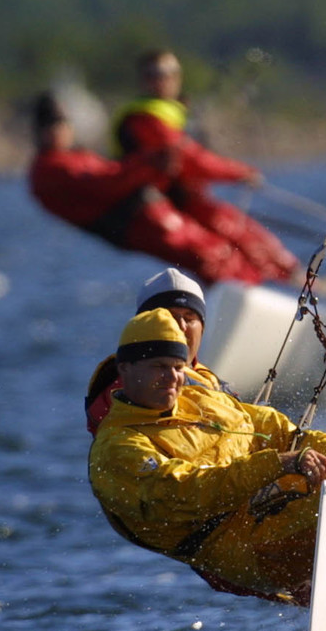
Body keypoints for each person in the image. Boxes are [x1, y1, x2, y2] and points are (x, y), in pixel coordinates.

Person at [89, 309, 326, 605]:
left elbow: (283, 432)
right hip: (231, 543)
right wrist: (280, 463)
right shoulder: (119, 446)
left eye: (177, 367)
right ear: (124, 370)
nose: (171, 377)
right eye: (157, 367)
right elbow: (185, 492)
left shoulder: (200, 398)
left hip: (271, 503)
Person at [28, 92, 268, 286]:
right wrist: (152, 162)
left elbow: (115, 174)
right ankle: (247, 307)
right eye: (49, 125)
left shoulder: (76, 157)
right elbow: (108, 184)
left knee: (227, 246)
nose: (58, 130)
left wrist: (160, 172)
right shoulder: (49, 169)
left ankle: (264, 296)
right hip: (135, 222)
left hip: (148, 211)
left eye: (61, 123)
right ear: (38, 132)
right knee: (210, 256)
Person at [112, 50, 298, 283]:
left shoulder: (173, 114)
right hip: (168, 204)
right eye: (154, 74)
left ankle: (311, 290)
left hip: (191, 200)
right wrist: (241, 173)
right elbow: (192, 160)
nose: (163, 80)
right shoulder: (144, 119)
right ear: (142, 80)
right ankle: (282, 293)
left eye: (170, 73)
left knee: (256, 241)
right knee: (230, 247)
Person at [84, 268, 229, 434]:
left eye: (189, 318)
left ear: (202, 328)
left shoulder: (207, 378)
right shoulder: (131, 379)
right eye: (170, 317)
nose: (181, 326)